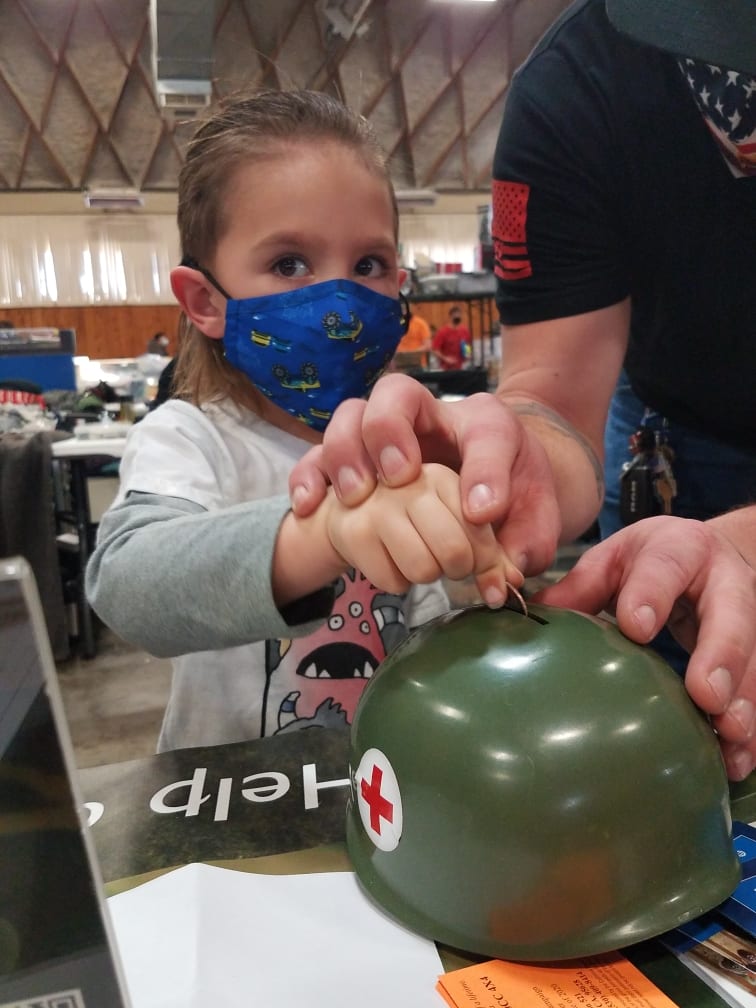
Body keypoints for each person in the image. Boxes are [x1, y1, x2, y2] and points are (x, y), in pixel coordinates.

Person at [287, 0, 756, 780]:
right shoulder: (581, 89)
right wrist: (511, 448)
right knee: (678, 736)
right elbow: (558, 390)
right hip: (672, 431)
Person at [85, 89, 513, 752]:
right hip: (236, 829)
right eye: (289, 263)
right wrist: (330, 531)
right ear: (204, 299)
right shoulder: (189, 440)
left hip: (398, 800)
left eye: (368, 264)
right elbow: (127, 585)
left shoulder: (407, 441)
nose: (339, 299)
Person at [430, 305, 470, 370]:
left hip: (461, 367)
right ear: (450, 316)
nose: (457, 317)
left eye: (459, 315)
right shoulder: (443, 332)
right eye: (455, 316)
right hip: (446, 368)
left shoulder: (465, 331)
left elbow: (467, 345)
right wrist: (445, 358)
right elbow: (435, 349)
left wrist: (468, 355)